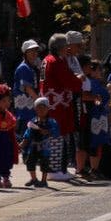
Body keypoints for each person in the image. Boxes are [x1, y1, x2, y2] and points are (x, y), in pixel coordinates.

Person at [40, 34, 78, 181]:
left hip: (54, 103)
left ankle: (60, 168)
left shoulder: (48, 60)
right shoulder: (55, 62)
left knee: (59, 136)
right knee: (57, 135)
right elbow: (68, 80)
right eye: (65, 46)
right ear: (60, 48)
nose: (67, 49)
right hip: (57, 105)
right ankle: (55, 170)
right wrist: (78, 80)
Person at [21, 97, 58, 188]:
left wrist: (48, 131)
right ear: (35, 109)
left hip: (45, 146)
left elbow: (56, 132)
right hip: (33, 146)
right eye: (38, 108)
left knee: (45, 163)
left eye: (43, 107)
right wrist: (23, 143)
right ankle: (34, 179)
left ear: (48, 108)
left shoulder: (51, 121)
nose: (41, 110)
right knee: (30, 161)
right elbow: (28, 133)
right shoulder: (33, 121)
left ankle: (44, 180)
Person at [13, 40, 41, 136]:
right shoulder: (23, 68)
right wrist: (40, 103)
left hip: (31, 108)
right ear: (25, 53)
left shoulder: (33, 67)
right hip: (25, 110)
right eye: (31, 51)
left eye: (36, 50)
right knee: (25, 135)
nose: (34, 53)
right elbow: (28, 89)